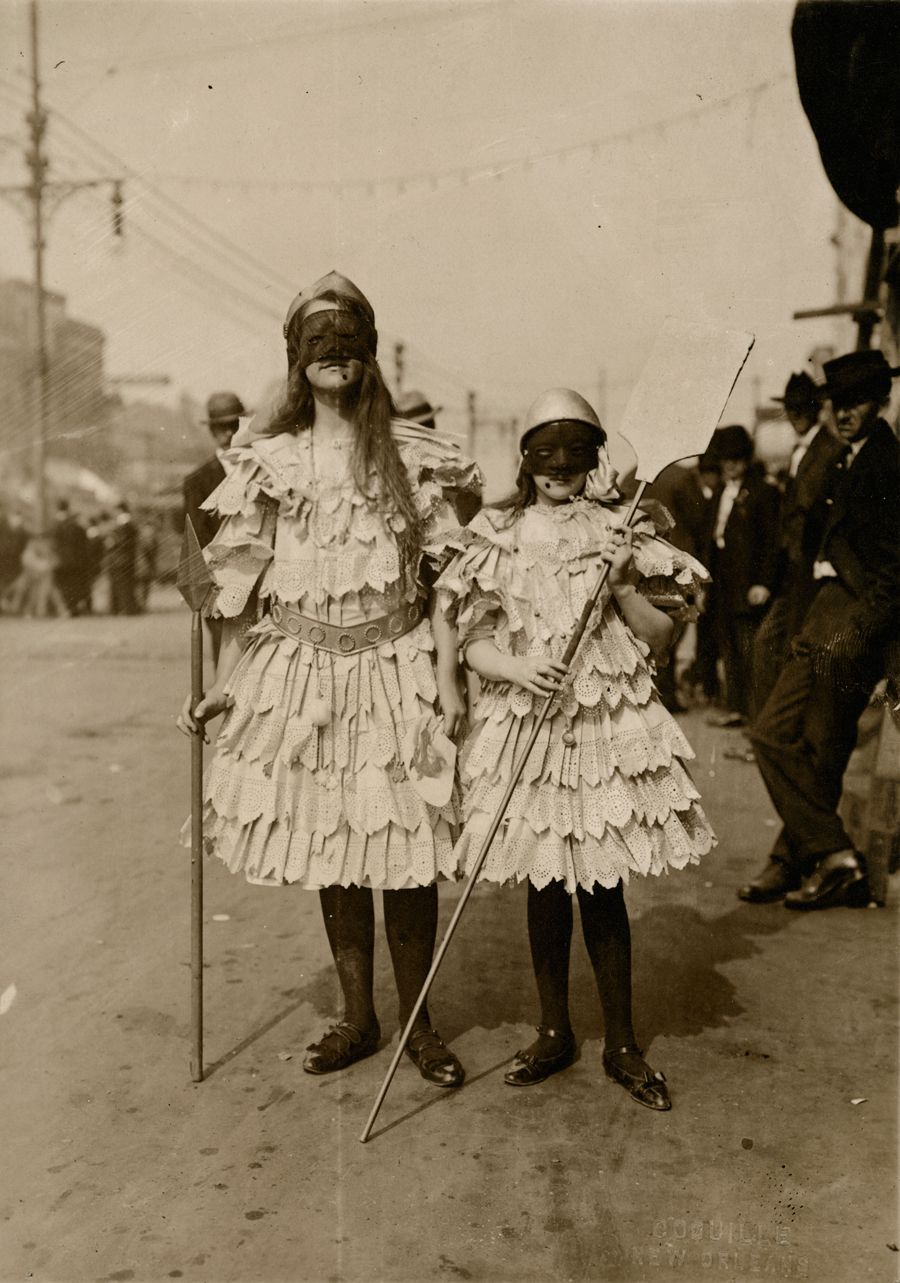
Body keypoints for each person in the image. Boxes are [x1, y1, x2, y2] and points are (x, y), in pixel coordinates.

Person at [177, 271, 482, 1085]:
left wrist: (450, 680)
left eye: (348, 344)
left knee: (406, 849)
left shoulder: (413, 459)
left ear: (369, 355)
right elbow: (240, 593)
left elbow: (449, 583)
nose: (335, 358)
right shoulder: (267, 464)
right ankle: (359, 1016)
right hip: (305, 675)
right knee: (336, 849)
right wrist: (223, 684)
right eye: (319, 345)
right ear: (296, 361)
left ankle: (420, 1025)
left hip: (396, 671)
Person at [437, 389, 714, 1110]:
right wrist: (516, 666)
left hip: (601, 719)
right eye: (545, 454)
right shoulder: (499, 534)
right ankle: (554, 1027)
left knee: (600, 881)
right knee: (543, 880)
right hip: (531, 715)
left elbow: (657, 634)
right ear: (526, 461)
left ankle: (621, 1041)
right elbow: (474, 640)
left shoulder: (621, 530)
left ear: (594, 458)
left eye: (576, 453)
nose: (560, 468)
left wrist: (622, 583)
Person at [741, 350, 900, 908]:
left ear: (879, 402)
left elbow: (893, 572)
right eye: (839, 402)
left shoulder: (884, 463)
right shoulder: (844, 458)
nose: (845, 413)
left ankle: (803, 861)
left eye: (858, 402)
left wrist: (861, 635)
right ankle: (826, 855)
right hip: (820, 610)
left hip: (851, 619)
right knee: (777, 734)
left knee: (818, 745)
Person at [750, 371, 843, 719]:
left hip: (811, 567)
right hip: (791, 568)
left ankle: (782, 729)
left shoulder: (830, 449)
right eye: (791, 408)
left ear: (817, 409)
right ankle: (768, 727)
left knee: (793, 650)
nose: (796, 414)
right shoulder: (800, 450)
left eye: (803, 407)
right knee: (767, 645)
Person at [700, 425, 780, 727]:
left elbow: (773, 542)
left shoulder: (764, 491)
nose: (730, 464)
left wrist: (763, 582)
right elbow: (710, 536)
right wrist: (704, 583)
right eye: (725, 459)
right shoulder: (720, 490)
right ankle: (736, 708)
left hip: (748, 581)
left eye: (736, 458)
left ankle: (757, 715)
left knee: (751, 649)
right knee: (728, 645)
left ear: (746, 459)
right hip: (722, 579)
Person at [184, 392, 247, 662]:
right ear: (211, 430)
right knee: (225, 656)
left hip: (263, 579)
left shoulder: (258, 467)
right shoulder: (197, 480)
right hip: (221, 581)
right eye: (221, 427)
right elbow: (197, 535)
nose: (228, 433)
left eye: (234, 425)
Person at [52, 500, 90, 615]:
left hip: (61, 562)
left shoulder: (56, 526)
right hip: (76, 561)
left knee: (64, 586)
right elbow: (84, 543)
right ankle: (73, 608)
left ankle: (69, 608)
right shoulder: (76, 526)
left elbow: (54, 545)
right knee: (74, 585)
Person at [107, 502, 139, 615]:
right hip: (127, 558)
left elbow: (122, 542)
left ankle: (128, 609)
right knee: (127, 584)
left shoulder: (124, 524)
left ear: (120, 510)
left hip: (121, 559)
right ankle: (129, 608)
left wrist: (113, 542)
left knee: (123, 584)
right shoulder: (129, 524)